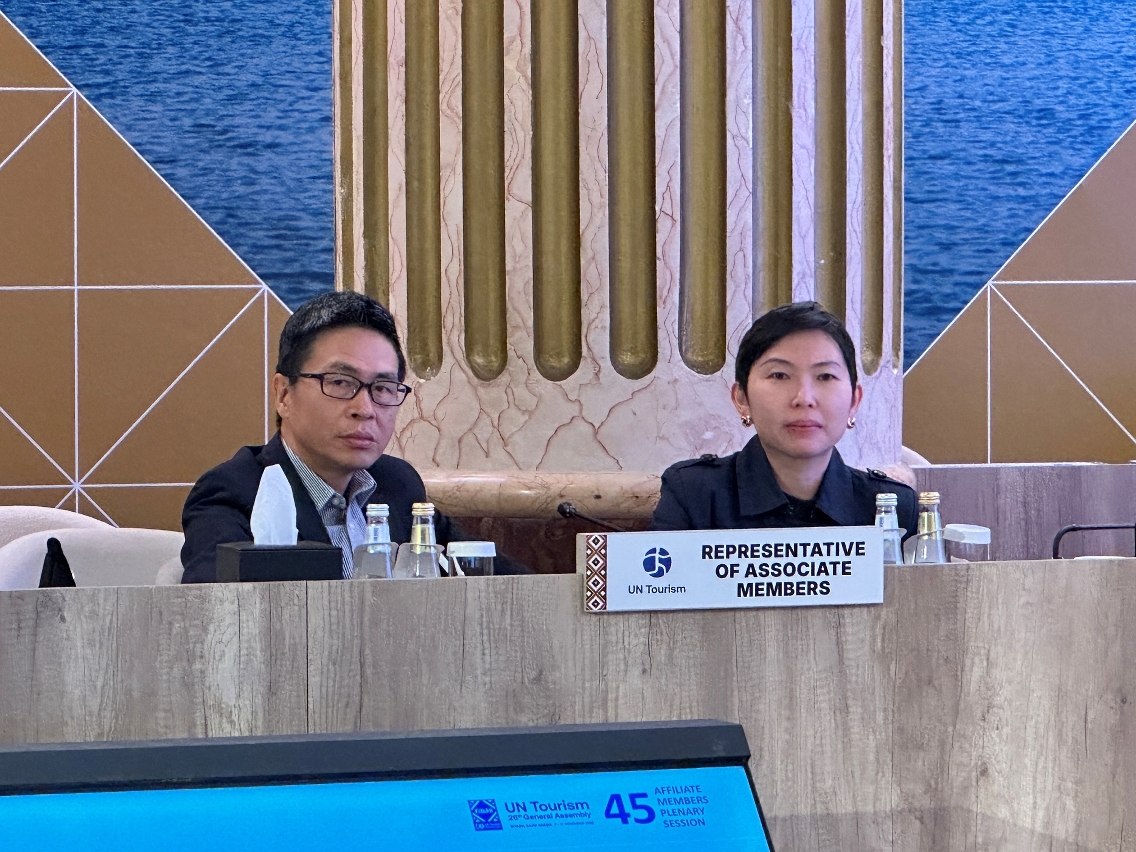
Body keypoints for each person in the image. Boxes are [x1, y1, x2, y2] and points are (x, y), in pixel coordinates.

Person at [181, 291, 528, 582]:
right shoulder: (233, 492)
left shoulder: (397, 484)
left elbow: (503, 581)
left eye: (383, 387)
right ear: (284, 394)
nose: (364, 408)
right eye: (339, 382)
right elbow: (214, 614)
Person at [650, 301, 917, 535]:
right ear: (742, 398)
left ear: (854, 401)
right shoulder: (694, 495)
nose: (804, 398)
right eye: (779, 375)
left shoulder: (891, 507)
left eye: (825, 376)